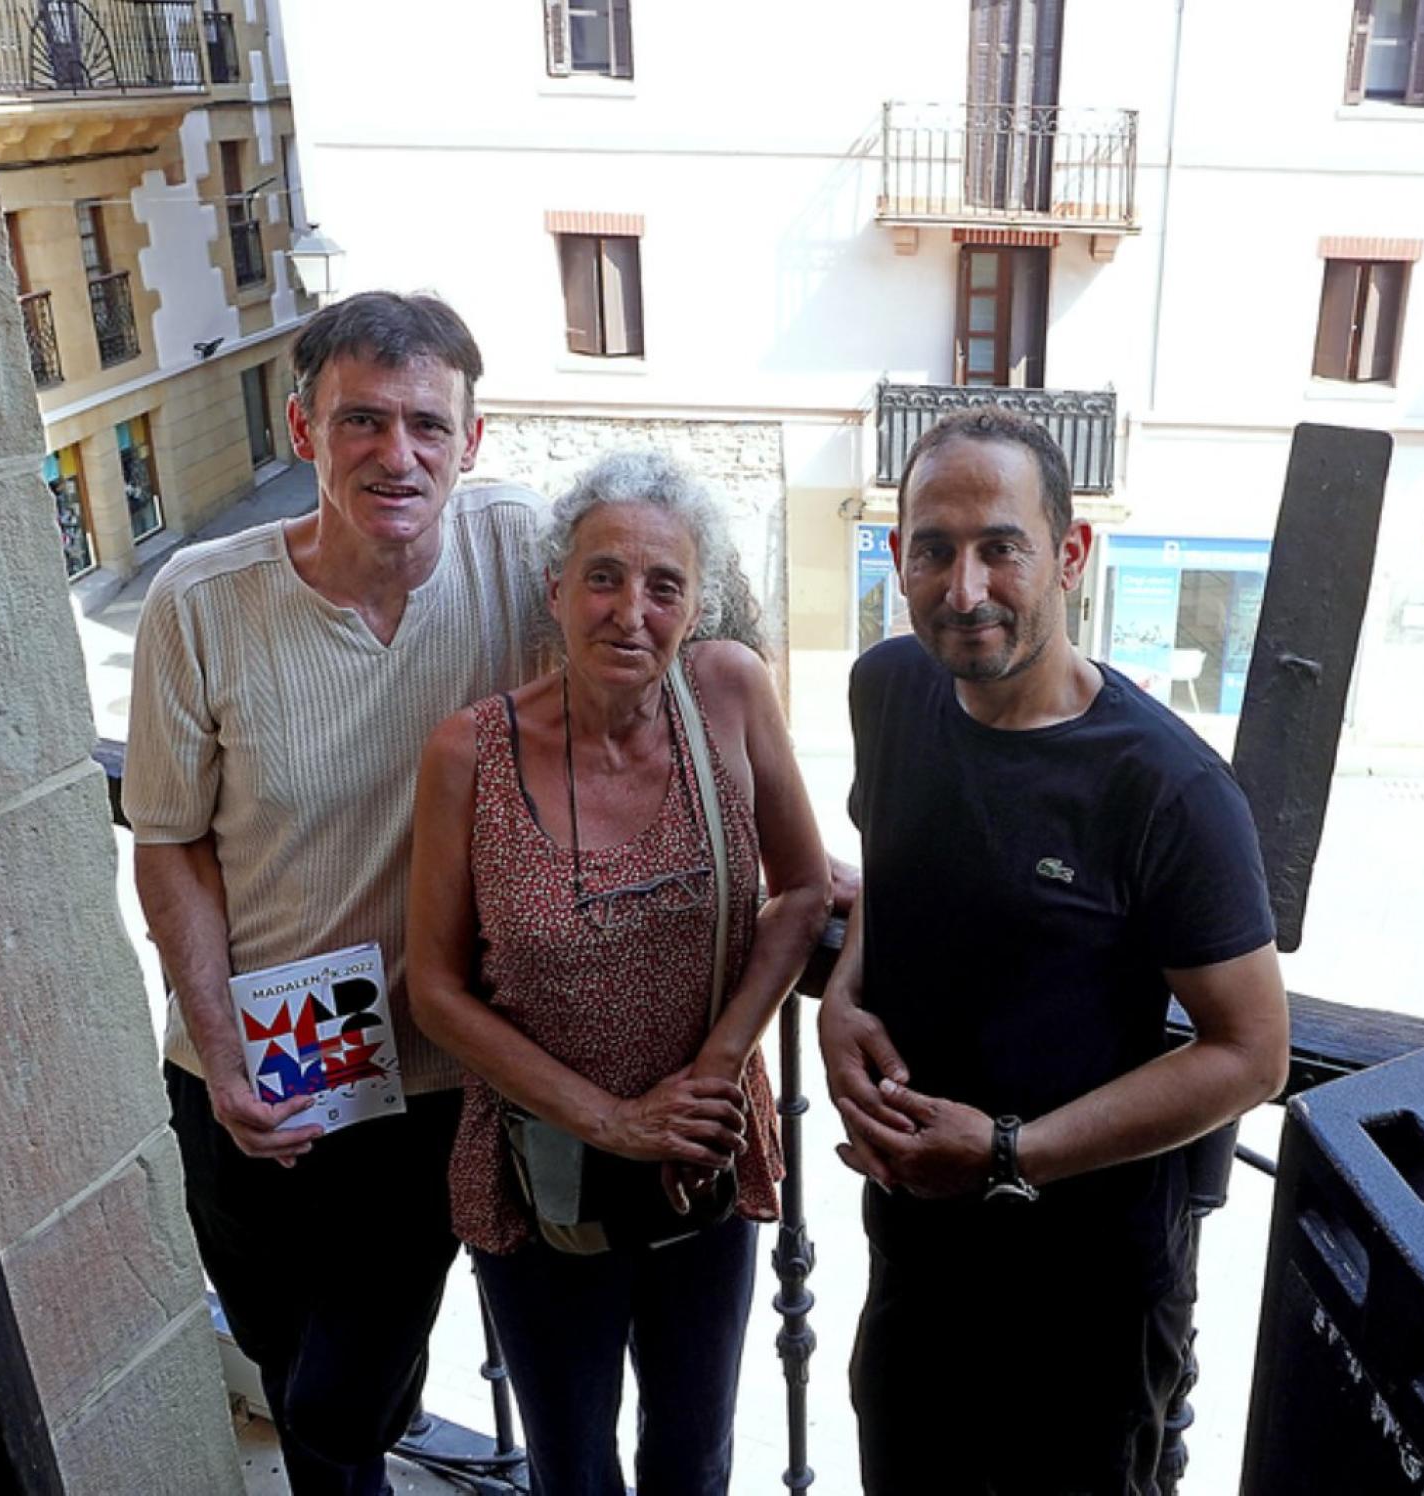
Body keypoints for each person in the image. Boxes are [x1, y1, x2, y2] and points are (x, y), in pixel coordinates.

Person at [820, 408, 1292, 1495]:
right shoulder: (888, 690)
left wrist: (1005, 1151)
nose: (965, 586)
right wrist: (845, 991)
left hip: (1086, 1294)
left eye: (1001, 546)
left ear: (1070, 555)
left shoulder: (1166, 786)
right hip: (917, 1256)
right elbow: (889, 864)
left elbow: (1252, 1053)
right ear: (897, 559)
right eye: (933, 549)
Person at [125, 291, 548, 1495]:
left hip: (426, 1077)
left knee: (335, 1400)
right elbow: (169, 844)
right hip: (247, 1070)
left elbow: (697, 644)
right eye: (361, 418)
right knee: (281, 1344)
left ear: (471, 440)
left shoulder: (522, 548)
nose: (395, 453)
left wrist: (791, 849)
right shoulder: (200, 602)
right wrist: (223, 1046)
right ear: (304, 429)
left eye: (426, 423)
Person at [407, 450, 830, 1496]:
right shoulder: (470, 753)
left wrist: (718, 1066)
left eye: (664, 584)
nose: (629, 610)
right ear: (555, 589)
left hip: (703, 1154)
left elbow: (806, 891)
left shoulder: (729, 692)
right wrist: (613, 1118)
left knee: (693, 1454)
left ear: (697, 603)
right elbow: (436, 987)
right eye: (602, 576)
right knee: (573, 1463)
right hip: (542, 1172)